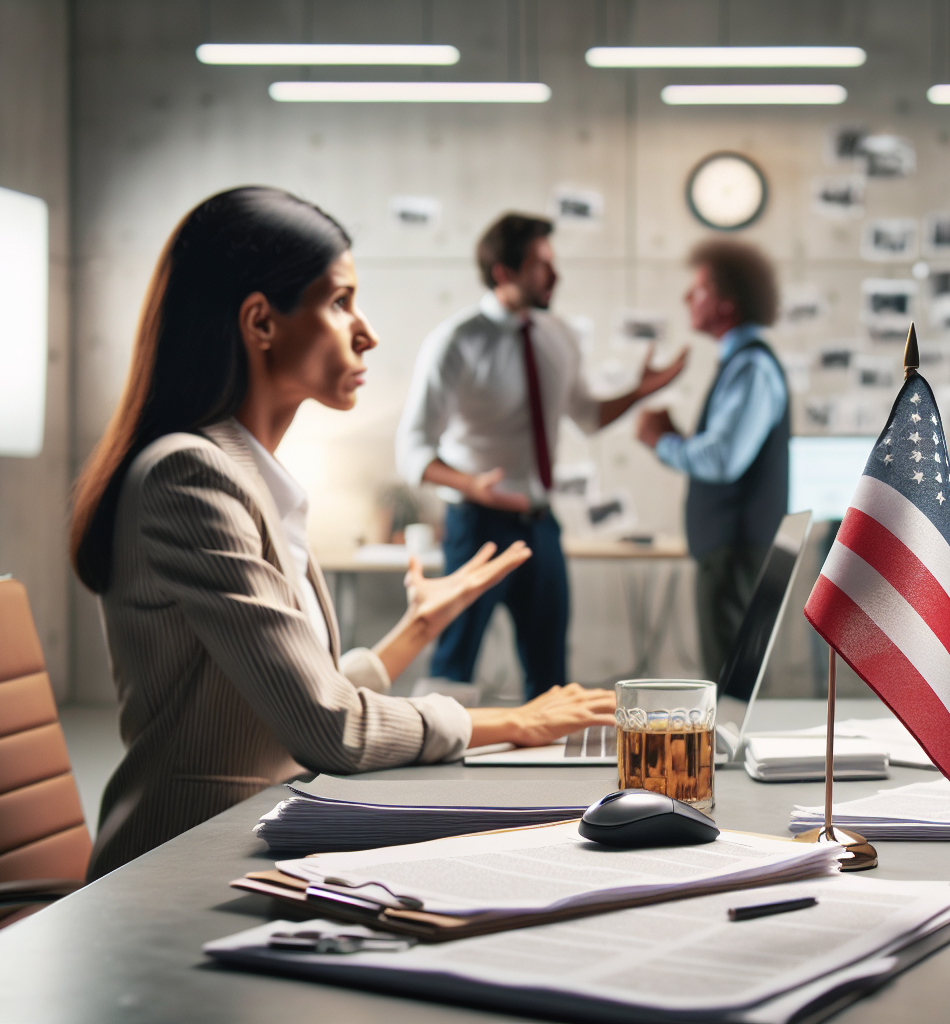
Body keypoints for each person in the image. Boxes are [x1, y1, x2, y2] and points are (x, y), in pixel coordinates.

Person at [70, 189, 615, 877]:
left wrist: (409, 636)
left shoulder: (244, 477)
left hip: (254, 839)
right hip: (181, 863)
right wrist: (513, 722)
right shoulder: (190, 478)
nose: (366, 332)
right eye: (339, 302)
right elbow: (328, 729)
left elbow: (284, 699)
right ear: (261, 323)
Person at [397, 214, 686, 697]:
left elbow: (588, 416)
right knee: (453, 668)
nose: (554, 276)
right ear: (503, 273)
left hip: (540, 527)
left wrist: (639, 391)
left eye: (552, 263)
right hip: (477, 525)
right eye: (539, 265)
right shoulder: (455, 342)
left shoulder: (559, 335)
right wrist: (470, 484)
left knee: (550, 673)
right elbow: (411, 450)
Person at [636, 240, 790, 685]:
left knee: (731, 677)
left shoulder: (750, 367)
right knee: (732, 673)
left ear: (728, 302)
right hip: (735, 546)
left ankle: (730, 758)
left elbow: (723, 460)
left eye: (699, 289)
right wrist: (678, 438)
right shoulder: (742, 363)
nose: (687, 297)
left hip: (736, 548)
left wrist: (661, 441)